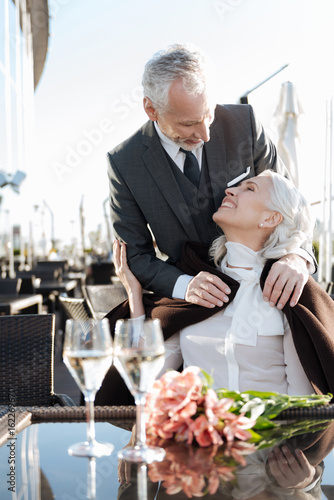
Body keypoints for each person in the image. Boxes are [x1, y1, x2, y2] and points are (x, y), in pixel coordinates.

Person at [107, 43, 315, 314]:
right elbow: (135, 255)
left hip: (268, 290)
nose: (205, 134)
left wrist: (296, 257)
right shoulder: (124, 162)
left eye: (209, 115)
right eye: (189, 123)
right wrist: (185, 286)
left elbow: (293, 207)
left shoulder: (246, 125)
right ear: (151, 110)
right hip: (189, 303)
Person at [108, 170, 334, 399]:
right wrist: (134, 294)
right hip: (199, 432)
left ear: (271, 218)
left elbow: (302, 402)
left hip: (270, 432)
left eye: (249, 188)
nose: (230, 190)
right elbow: (146, 380)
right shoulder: (198, 284)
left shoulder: (286, 291)